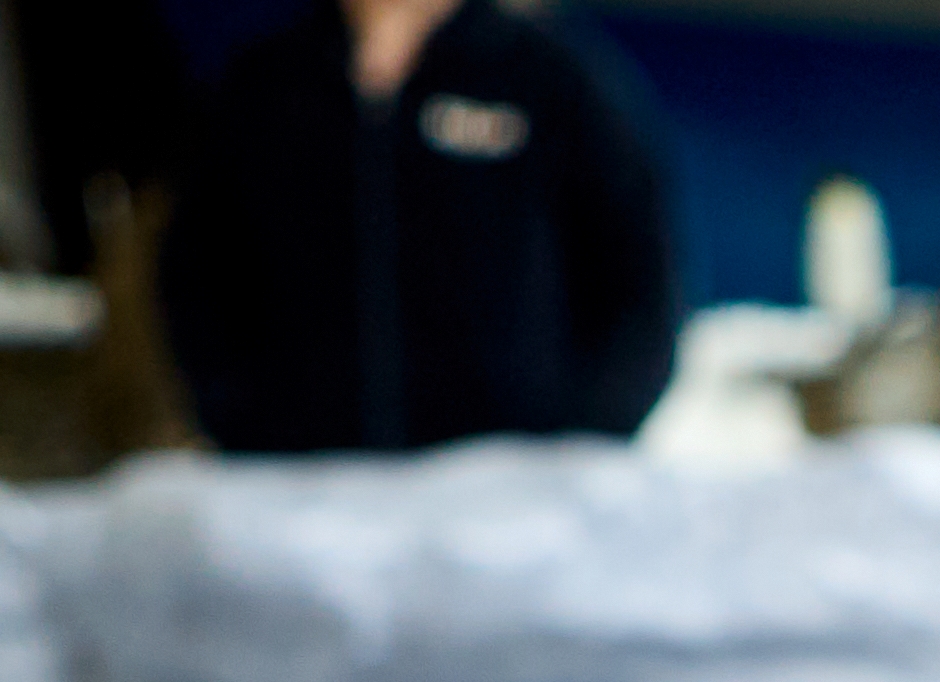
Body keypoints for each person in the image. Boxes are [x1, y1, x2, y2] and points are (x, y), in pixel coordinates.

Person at [160, 0, 679, 453]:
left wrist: (578, 444)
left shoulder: (551, 79)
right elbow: (195, 276)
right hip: (306, 495)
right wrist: (244, 420)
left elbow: (642, 280)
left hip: (505, 507)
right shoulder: (262, 85)